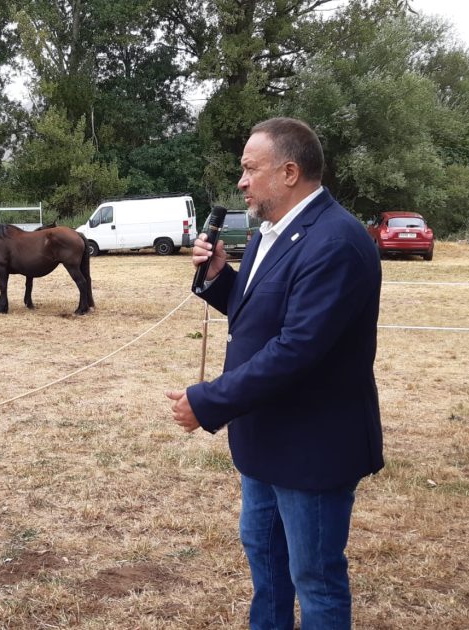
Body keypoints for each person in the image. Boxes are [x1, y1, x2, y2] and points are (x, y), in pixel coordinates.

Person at [165, 117, 383, 630]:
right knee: (267, 569)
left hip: (312, 448)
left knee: (316, 578)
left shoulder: (336, 242)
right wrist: (220, 277)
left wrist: (209, 400)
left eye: (249, 169)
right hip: (264, 440)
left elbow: (296, 348)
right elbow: (258, 313)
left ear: (289, 172)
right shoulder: (271, 233)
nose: (241, 181)